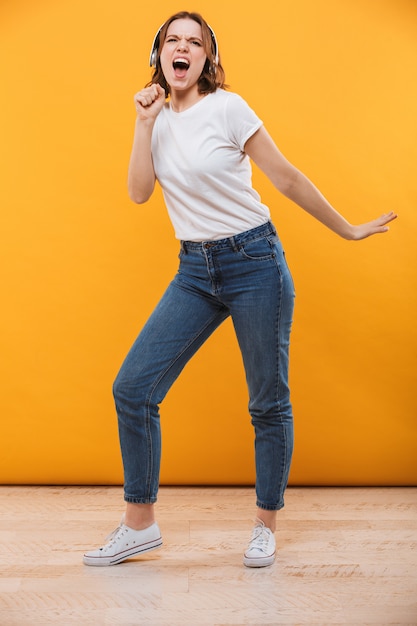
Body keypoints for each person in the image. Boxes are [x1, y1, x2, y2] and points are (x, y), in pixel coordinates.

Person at [83, 11, 396, 568]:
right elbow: (138, 193)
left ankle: (265, 524)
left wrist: (348, 228)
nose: (182, 49)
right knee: (133, 388)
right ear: (159, 55)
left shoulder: (228, 108)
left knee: (267, 402)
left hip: (254, 262)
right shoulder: (154, 117)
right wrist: (142, 124)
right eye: (171, 41)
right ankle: (140, 525)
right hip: (195, 272)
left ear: (207, 59)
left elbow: (286, 177)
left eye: (193, 43)